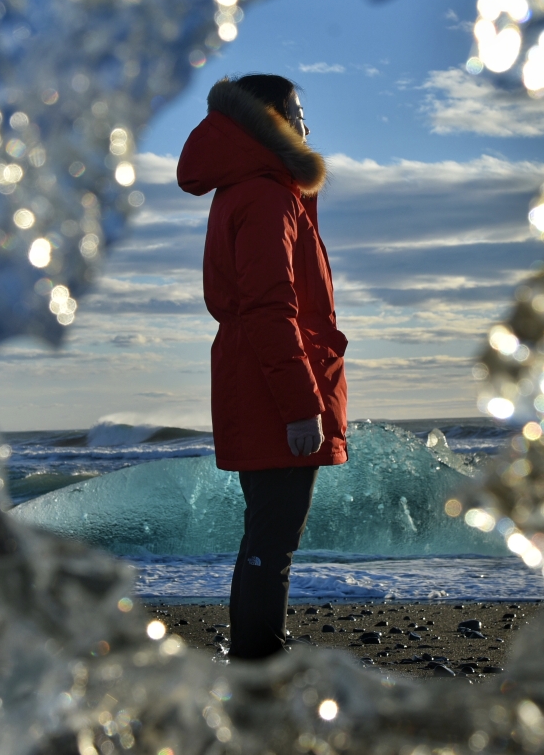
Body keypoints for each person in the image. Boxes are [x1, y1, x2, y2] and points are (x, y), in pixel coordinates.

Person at [177, 73, 349, 660]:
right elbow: (271, 308)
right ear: (272, 120)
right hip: (271, 388)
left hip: (257, 380)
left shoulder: (258, 190)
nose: (307, 126)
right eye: (298, 113)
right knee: (273, 538)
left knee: (266, 534)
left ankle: (255, 649)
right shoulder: (267, 195)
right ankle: (257, 658)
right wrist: (303, 407)